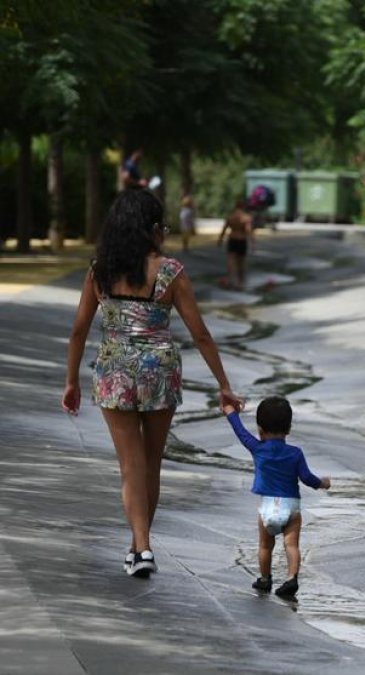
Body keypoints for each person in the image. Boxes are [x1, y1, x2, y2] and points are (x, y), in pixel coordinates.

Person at [62, 188, 242, 577]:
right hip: (159, 370)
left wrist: (71, 381)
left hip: (113, 371)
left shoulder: (100, 270)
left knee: (131, 466)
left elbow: (78, 332)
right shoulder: (170, 272)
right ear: (151, 229)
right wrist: (223, 384)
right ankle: (139, 547)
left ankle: (140, 547)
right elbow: (202, 335)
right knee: (151, 464)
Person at [222, 396, 330, 598]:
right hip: (291, 507)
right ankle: (291, 578)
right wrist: (322, 483)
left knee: (265, 545)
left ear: (260, 429)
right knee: (291, 545)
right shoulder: (295, 453)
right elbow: (306, 478)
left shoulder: (257, 448)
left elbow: (241, 432)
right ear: (289, 429)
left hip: (267, 508)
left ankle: (264, 579)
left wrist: (230, 411)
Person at [218, 198, 254, 290]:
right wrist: (253, 243)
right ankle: (240, 282)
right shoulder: (246, 218)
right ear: (243, 206)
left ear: (236, 206)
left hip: (232, 239)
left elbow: (224, 229)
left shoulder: (231, 217)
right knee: (241, 262)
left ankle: (231, 280)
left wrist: (220, 239)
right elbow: (248, 231)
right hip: (242, 240)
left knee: (231, 261)